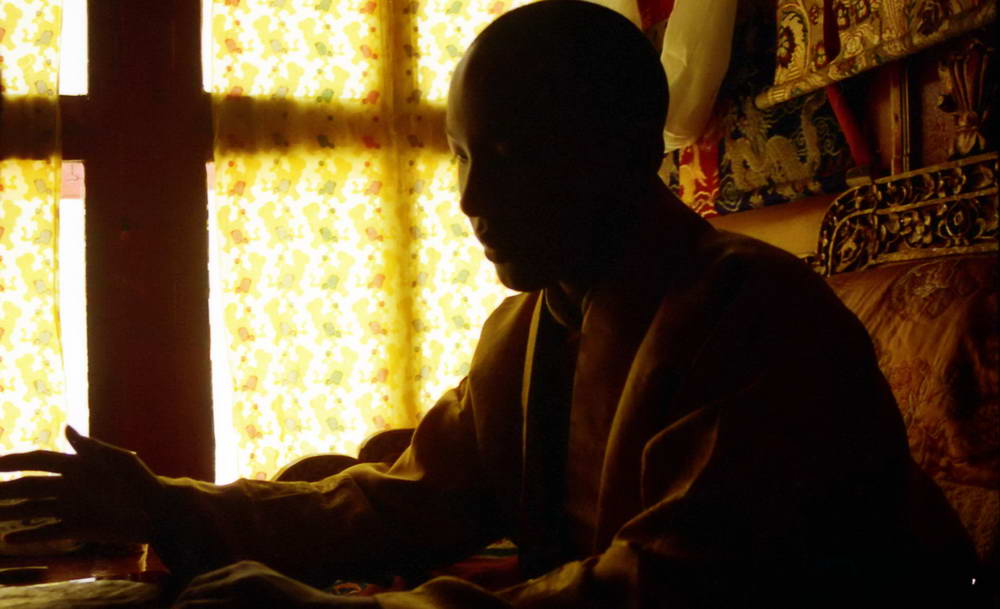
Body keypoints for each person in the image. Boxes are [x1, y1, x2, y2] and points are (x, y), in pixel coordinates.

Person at [0, 2, 977, 607]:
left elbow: (673, 587)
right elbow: (403, 501)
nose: (470, 199)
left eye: (508, 154)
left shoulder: (756, 314)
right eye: (461, 157)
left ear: (623, 148)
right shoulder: (527, 326)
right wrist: (168, 503)